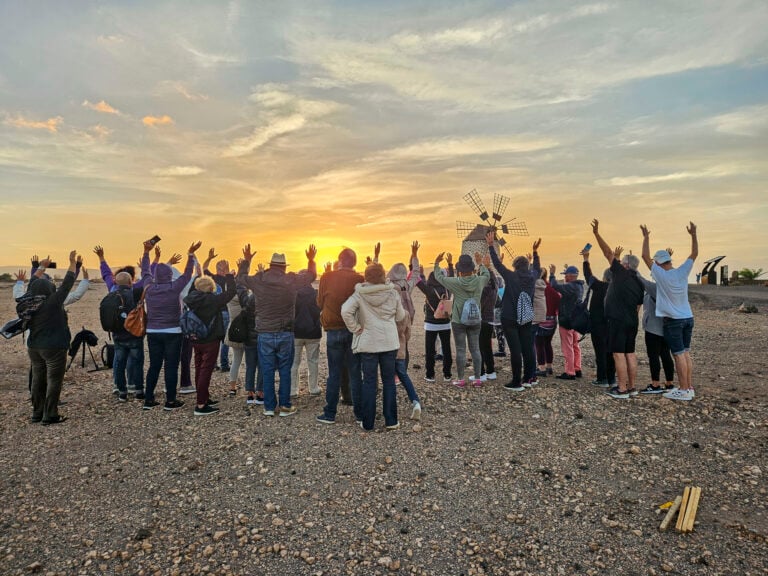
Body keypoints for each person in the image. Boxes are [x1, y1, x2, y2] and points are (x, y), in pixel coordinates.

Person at [238, 244, 317, 418]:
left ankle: (268, 406)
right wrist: (311, 260)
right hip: (285, 331)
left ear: (270, 265)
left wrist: (247, 260)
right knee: (284, 370)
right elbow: (311, 275)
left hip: (265, 332)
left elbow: (241, 278)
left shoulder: (259, 280)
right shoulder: (290, 280)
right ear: (283, 266)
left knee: (266, 370)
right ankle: (285, 406)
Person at [341, 263, 406, 430]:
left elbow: (345, 311)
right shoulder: (392, 292)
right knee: (388, 382)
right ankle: (391, 420)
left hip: (369, 343)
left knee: (369, 382)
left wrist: (356, 328)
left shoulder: (359, 294)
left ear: (367, 276)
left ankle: (368, 421)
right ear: (383, 276)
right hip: (389, 342)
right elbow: (400, 315)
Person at [641, 222, 698, 401]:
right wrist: (693, 234)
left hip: (673, 320)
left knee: (679, 355)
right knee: (686, 353)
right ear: (670, 260)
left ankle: (683, 390)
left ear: (658, 263)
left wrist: (646, 237)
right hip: (688, 317)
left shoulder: (660, 274)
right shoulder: (682, 271)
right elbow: (694, 254)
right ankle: (688, 387)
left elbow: (644, 255)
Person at [142, 241, 201, 411]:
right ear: (169, 275)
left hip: (153, 330)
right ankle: (170, 400)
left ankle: (148, 399)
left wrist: (146, 253)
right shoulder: (174, 287)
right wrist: (190, 255)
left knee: (154, 365)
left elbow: (145, 271)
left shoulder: (149, 288)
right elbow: (188, 274)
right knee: (171, 365)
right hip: (173, 331)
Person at [591, 220, 645, 399]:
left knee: (618, 353)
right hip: (632, 320)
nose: (619, 262)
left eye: (622, 261)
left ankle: (621, 388)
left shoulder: (621, 274)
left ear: (626, 265)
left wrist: (597, 234)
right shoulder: (638, 281)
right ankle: (632, 387)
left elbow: (607, 253)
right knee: (630, 353)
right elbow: (639, 305)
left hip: (618, 320)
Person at [25, 251, 78, 425]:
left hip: (34, 346)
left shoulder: (29, 300)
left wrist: (41, 267)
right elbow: (67, 283)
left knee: (38, 379)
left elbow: (33, 281)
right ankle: (50, 414)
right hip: (54, 347)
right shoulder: (52, 302)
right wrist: (72, 263)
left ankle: (37, 412)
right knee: (54, 380)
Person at [487, 233, 541, 391]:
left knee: (516, 350)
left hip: (509, 317)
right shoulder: (532, 277)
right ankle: (529, 378)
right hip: (526, 317)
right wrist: (536, 252)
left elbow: (497, 265)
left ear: (515, 266)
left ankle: (516, 382)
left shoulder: (511, 276)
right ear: (527, 266)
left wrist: (491, 246)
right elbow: (537, 268)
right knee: (528, 348)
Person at [316, 248, 364, 425]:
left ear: (340, 261)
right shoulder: (360, 279)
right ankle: (359, 414)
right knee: (355, 372)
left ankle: (330, 413)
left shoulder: (327, 277)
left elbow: (319, 302)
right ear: (354, 262)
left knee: (334, 373)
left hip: (334, 330)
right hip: (353, 330)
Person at [433, 252, 490, 388]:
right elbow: (486, 275)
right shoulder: (479, 281)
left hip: (459, 320)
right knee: (475, 349)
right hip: (476, 319)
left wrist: (436, 263)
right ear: (472, 268)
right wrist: (481, 263)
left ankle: (460, 379)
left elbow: (439, 277)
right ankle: (477, 379)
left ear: (460, 270)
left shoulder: (455, 283)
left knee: (460, 349)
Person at [183, 274, 236, 415]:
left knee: (199, 368)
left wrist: (197, 272)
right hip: (210, 339)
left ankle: (204, 398)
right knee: (206, 370)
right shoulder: (213, 300)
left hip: (195, 338)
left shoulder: (190, 299)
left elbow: (191, 289)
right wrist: (229, 276)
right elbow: (231, 292)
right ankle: (200, 405)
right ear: (211, 287)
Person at [388, 252, 422, 421]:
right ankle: (415, 401)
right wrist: (414, 256)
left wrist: (375, 259)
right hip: (403, 326)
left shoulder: (387, 287)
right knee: (402, 368)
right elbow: (416, 273)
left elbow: (370, 279)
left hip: (387, 335)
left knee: (387, 372)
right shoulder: (406, 286)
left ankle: (390, 408)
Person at [637, 265, 675, 394]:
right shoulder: (669, 288)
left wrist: (630, 266)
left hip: (654, 328)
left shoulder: (656, 288)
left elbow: (640, 279)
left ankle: (655, 384)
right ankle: (669, 383)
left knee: (653, 356)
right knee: (665, 355)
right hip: (665, 327)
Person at [581, 248, 615, 389]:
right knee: (611, 352)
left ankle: (602, 378)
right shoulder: (617, 289)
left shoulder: (599, 286)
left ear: (605, 277)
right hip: (612, 325)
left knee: (600, 352)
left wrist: (586, 260)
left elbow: (588, 275)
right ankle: (611, 378)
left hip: (598, 325)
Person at [416, 256, 454, 383]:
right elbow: (451, 278)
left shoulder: (429, 290)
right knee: (447, 348)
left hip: (431, 324)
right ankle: (447, 374)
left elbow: (418, 282)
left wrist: (419, 273)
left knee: (430, 349)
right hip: (445, 323)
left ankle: (430, 374)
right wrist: (450, 264)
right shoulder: (448, 289)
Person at [549, 265, 585, 380]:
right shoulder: (579, 286)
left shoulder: (571, 287)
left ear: (570, 276)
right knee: (575, 345)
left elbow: (554, 285)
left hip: (567, 321)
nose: (565, 277)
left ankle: (570, 372)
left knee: (567, 346)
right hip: (575, 320)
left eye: (566, 275)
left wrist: (552, 274)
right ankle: (577, 368)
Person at [291, 268, 322, 397]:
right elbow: (319, 310)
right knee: (313, 361)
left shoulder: (293, 294)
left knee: (294, 362)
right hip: (313, 331)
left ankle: (293, 389)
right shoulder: (316, 293)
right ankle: (313, 388)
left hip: (296, 332)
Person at [202, 248, 232, 372]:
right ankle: (224, 364)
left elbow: (204, 268)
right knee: (224, 339)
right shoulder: (229, 280)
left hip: (213, 312)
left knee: (213, 338)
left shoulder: (212, 278)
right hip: (224, 311)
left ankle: (213, 363)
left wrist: (209, 258)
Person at [534, 269, 560, 378]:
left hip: (540, 320)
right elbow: (559, 298)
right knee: (548, 344)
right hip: (552, 320)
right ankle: (549, 366)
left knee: (539, 345)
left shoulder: (536, 289)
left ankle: (542, 367)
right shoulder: (552, 288)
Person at [478, 254, 499, 382]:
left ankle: (480, 373)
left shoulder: (483, 290)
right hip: (490, 319)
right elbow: (495, 280)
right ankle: (491, 371)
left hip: (481, 319)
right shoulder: (494, 287)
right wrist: (489, 268)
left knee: (479, 347)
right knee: (487, 346)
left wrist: (482, 266)